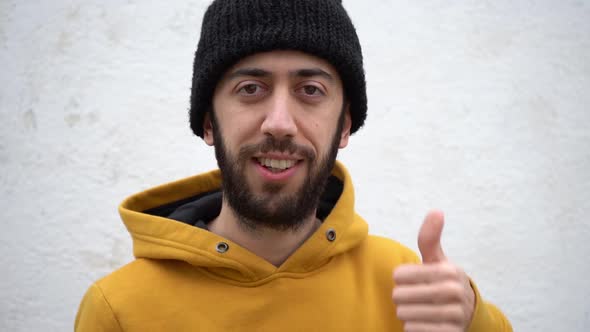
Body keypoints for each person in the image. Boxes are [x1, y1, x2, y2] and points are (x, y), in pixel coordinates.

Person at [75, 0, 512, 331]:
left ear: (344, 126)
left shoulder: (410, 290)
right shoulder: (119, 310)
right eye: (250, 88)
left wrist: (475, 322)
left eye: (310, 90)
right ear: (209, 123)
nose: (279, 123)